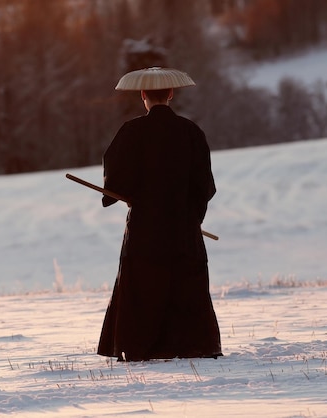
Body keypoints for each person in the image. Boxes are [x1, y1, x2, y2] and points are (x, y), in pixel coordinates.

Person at [97, 67, 222, 362]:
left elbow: (116, 180)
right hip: (183, 228)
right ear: (170, 94)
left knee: (144, 286)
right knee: (185, 284)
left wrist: (120, 195)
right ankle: (191, 345)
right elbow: (204, 184)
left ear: (142, 95)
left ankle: (139, 347)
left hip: (144, 228)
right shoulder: (191, 132)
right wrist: (193, 217)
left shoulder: (131, 132)